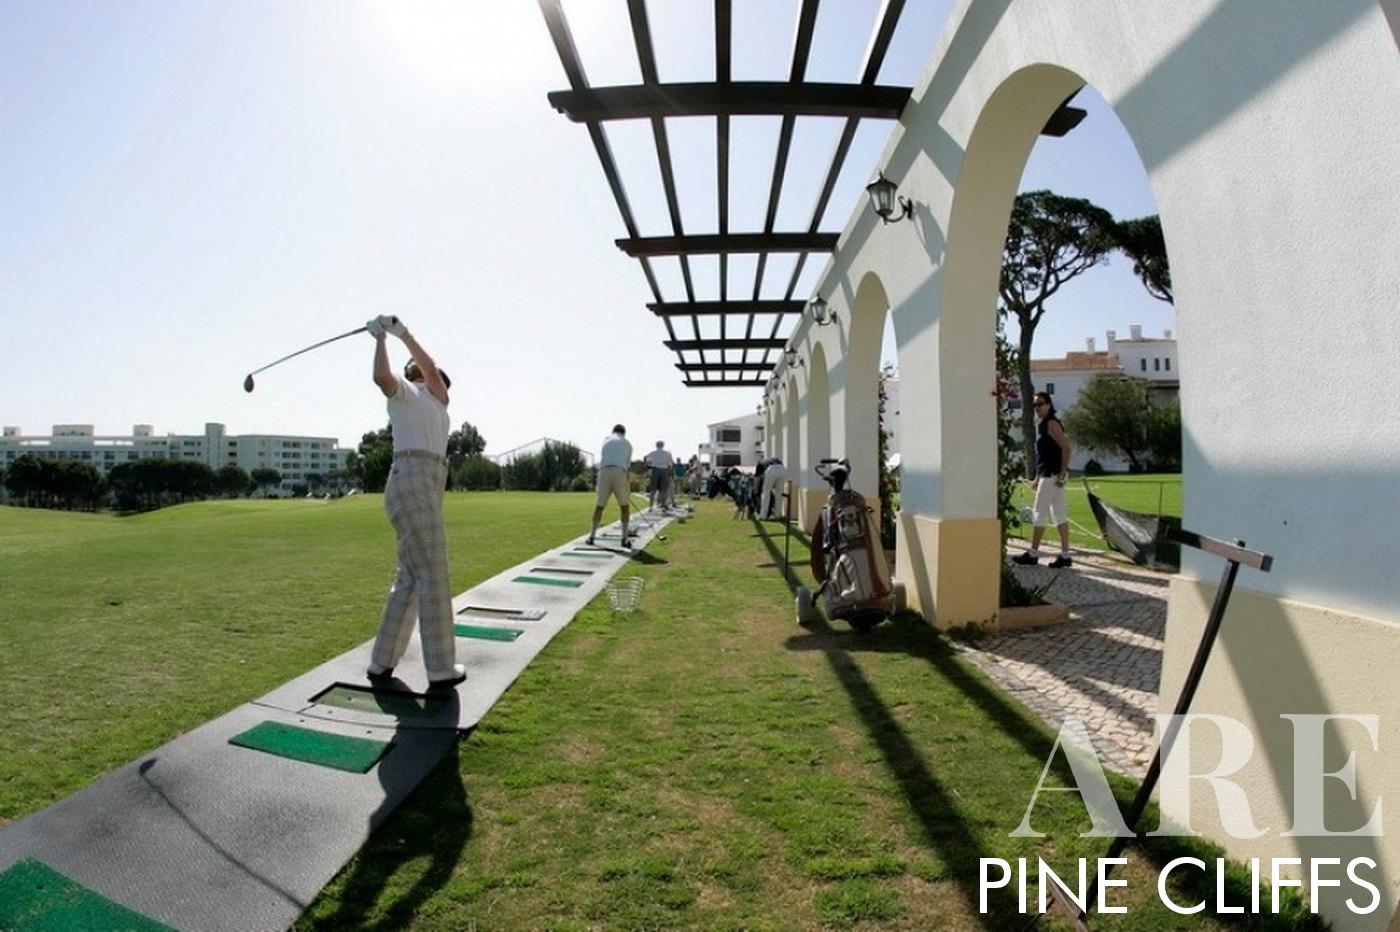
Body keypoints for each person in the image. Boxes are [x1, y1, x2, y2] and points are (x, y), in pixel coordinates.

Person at [364, 314, 466, 687]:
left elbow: (430, 369)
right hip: (411, 479)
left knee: (409, 577)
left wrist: (404, 333)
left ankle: (381, 661)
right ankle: (441, 668)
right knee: (433, 574)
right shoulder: (405, 395)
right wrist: (380, 340)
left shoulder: (438, 399)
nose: (419, 369)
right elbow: (381, 378)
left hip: (425, 483)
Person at [1014, 391, 1074, 568]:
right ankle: (1065, 554)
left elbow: (1066, 448)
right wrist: (1037, 478)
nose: (1037, 408)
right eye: (1035, 405)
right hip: (1050, 474)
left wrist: (1062, 473)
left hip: (1052, 475)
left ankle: (1033, 554)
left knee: (1040, 512)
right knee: (1059, 514)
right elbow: (1045, 457)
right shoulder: (1044, 425)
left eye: (1040, 404)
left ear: (1049, 405)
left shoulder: (1052, 424)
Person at [590, 424, 633, 547]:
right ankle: (624, 538)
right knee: (624, 506)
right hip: (619, 471)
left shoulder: (606, 440)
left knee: (600, 505)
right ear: (624, 433)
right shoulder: (627, 443)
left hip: (604, 472)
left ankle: (592, 536)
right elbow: (627, 467)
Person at [643, 440, 674, 511]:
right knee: (663, 490)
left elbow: (645, 457)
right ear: (663, 445)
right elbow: (671, 463)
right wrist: (669, 471)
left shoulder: (653, 453)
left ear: (656, 445)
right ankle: (664, 505)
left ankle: (650, 506)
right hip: (664, 470)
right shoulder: (667, 453)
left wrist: (646, 465)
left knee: (653, 490)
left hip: (655, 470)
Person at [757, 454, 786, 519]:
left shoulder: (760, 463)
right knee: (779, 494)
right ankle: (777, 515)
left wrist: (757, 488)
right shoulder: (775, 459)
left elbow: (758, 477)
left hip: (771, 470)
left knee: (766, 493)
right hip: (782, 469)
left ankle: (763, 516)